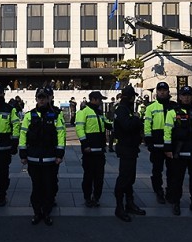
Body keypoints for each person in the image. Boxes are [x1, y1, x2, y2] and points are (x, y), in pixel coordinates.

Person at [19, 87, 66, 226]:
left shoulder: (56, 114)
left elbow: (61, 135)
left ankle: (46, 213)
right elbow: (23, 135)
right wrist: (23, 154)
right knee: (36, 187)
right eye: (39, 97)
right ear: (36, 98)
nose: (41, 99)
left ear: (48, 98)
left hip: (50, 158)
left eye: (44, 97)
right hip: (33, 158)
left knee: (48, 187)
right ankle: (37, 213)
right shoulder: (29, 115)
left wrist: (59, 154)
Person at [164, 86, 192, 216]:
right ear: (179, 97)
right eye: (184, 95)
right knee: (177, 180)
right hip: (180, 152)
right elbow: (167, 131)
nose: (186, 97)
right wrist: (168, 149)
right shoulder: (173, 112)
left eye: (189, 95)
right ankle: (176, 203)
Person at [113, 85, 146, 222]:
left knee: (130, 178)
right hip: (125, 147)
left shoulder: (126, 109)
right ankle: (119, 207)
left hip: (131, 147)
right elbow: (127, 125)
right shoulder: (122, 110)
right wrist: (137, 119)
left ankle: (129, 203)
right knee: (124, 177)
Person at [75, 91, 110, 208]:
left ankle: (96, 197)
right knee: (88, 176)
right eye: (100, 100)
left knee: (99, 177)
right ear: (93, 99)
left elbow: (106, 124)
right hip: (89, 150)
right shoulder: (83, 112)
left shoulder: (100, 112)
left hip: (100, 150)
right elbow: (79, 129)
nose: (101, 102)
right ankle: (87, 197)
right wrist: (85, 145)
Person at [144, 81, 176, 204]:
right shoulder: (150, 107)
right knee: (157, 170)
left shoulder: (174, 106)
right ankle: (158, 191)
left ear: (168, 91)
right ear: (156, 92)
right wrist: (148, 141)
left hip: (171, 143)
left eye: (164, 90)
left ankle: (170, 191)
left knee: (172, 170)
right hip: (156, 143)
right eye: (160, 90)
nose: (162, 92)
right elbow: (147, 125)